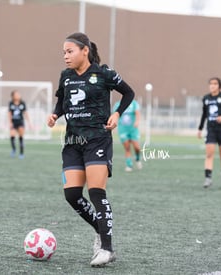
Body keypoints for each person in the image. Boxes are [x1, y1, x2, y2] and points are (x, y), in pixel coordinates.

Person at [47, 32, 135, 267]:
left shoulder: (103, 73)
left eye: (70, 51)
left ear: (84, 50)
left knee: (96, 192)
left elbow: (128, 92)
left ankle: (106, 248)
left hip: (97, 140)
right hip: (73, 143)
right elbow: (62, 101)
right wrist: (56, 114)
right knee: (72, 195)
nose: (65, 56)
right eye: (64, 52)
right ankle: (100, 229)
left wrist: (116, 113)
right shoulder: (65, 77)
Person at [197, 77, 221, 189]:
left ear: (219, 86)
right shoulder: (206, 98)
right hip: (211, 130)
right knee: (209, 154)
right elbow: (204, 114)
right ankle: (208, 178)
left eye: (215, 84)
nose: (212, 86)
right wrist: (200, 129)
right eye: (210, 84)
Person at [113, 99, 143, 172]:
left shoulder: (134, 103)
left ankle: (138, 158)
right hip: (123, 129)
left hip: (133, 129)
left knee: (137, 147)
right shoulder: (117, 104)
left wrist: (137, 121)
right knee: (127, 147)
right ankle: (129, 165)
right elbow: (115, 116)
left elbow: (137, 113)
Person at [8, 90, 31, 158]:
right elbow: (9, 113)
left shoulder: (22, 103)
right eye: (16, 94)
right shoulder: (11, 103)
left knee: (21, 137)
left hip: (20, 122)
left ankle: (21, 153)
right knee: (12, 136)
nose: (18, 95)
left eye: (18, 94)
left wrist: (29, 122)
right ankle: (14, 149)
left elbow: (25, 113)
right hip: (13, 122)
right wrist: (10, 122)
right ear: (13, 96)